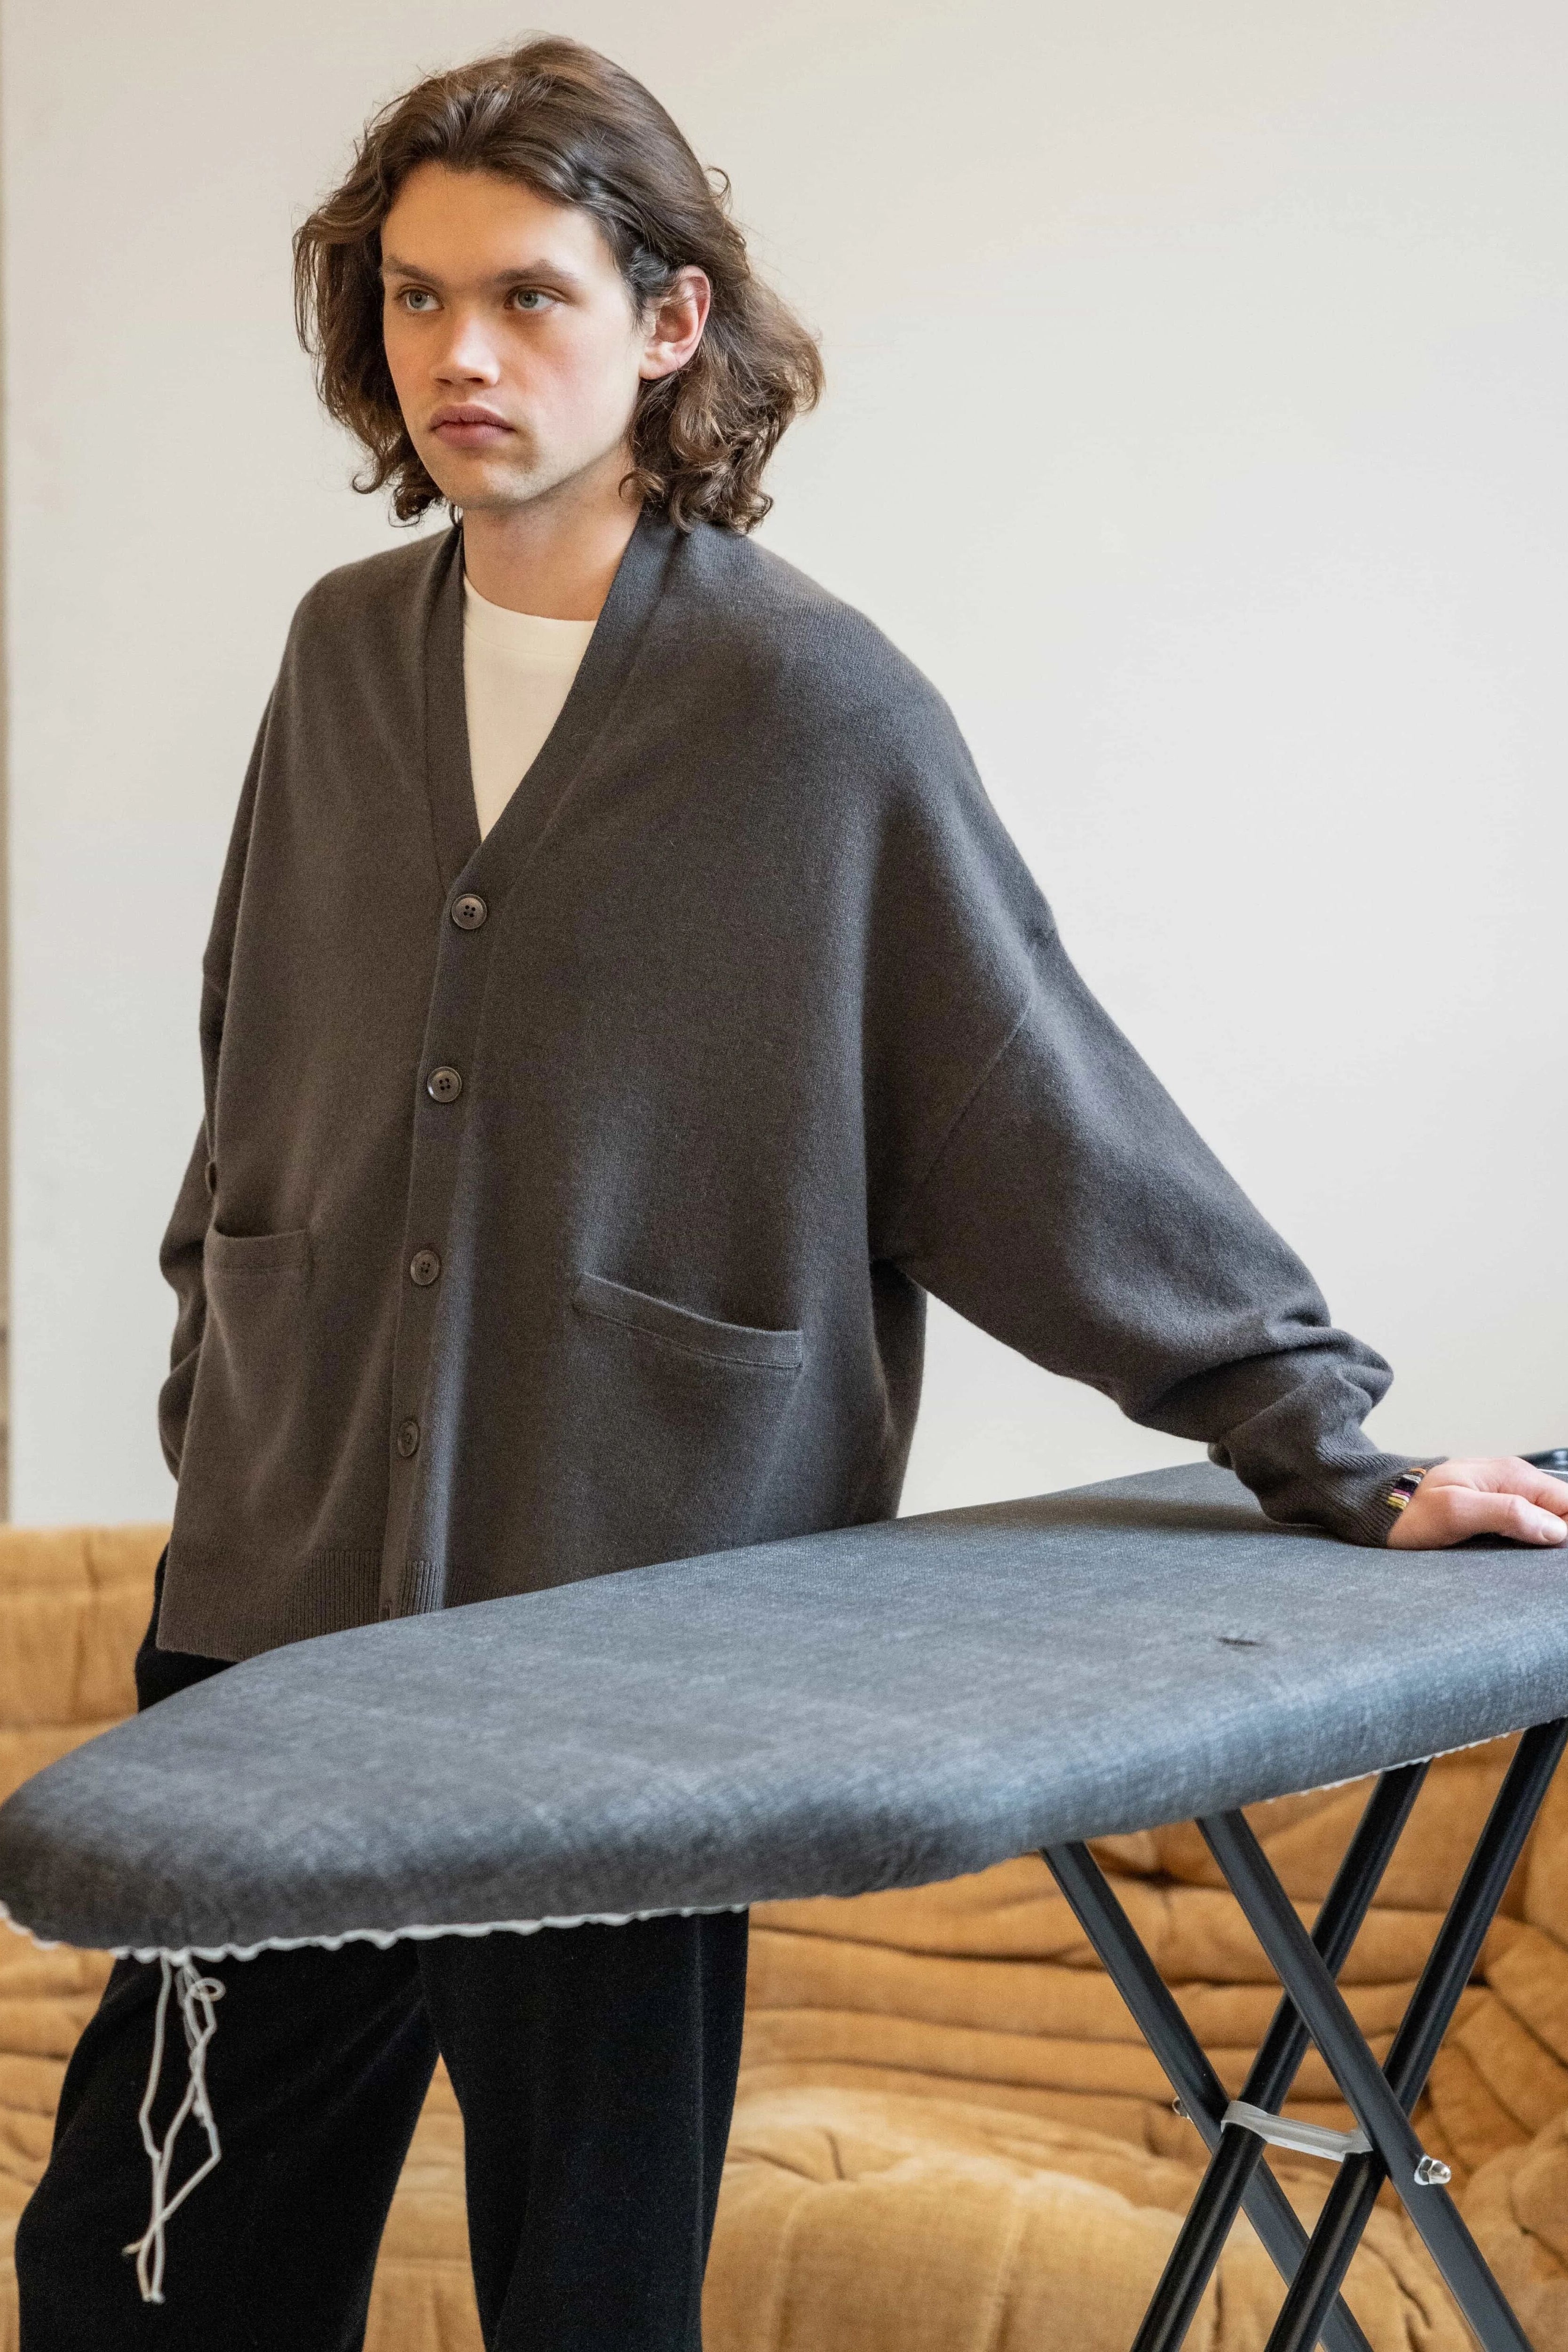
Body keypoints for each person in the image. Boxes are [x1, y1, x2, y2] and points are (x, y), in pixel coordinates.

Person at [16, 34, 1568, 2352]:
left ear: (670, 322)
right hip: (285, 1628)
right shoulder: (340, 656)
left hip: (628, 1659)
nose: (458, 354)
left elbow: (1032, 1114)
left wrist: (1319, 1435)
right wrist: (230, 1424)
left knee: (587, 2289)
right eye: (417, 298)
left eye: (527, 296)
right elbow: (253, 1079)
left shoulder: (813, 712)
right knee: (146, 2262)